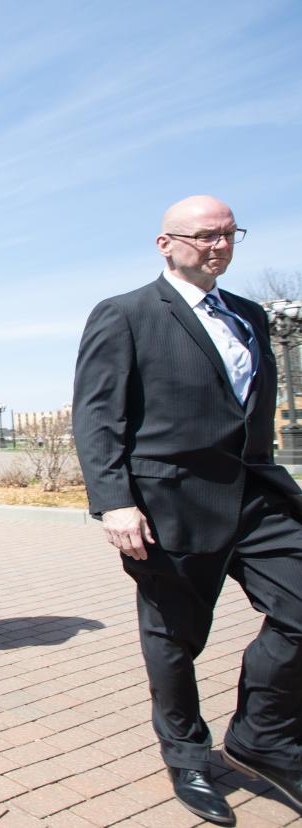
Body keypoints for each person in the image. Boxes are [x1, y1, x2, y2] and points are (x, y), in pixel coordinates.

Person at [73, 195, 302, 825]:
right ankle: (187, 755)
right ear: (165, 243)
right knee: (175, 638)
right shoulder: (126, 314)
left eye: (230, 234)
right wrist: (114, 501)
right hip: (170, 501)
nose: (219, 245)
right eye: (205, 236)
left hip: (256, 495)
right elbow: (96, 416)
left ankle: (263, 734)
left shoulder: (251, 316)